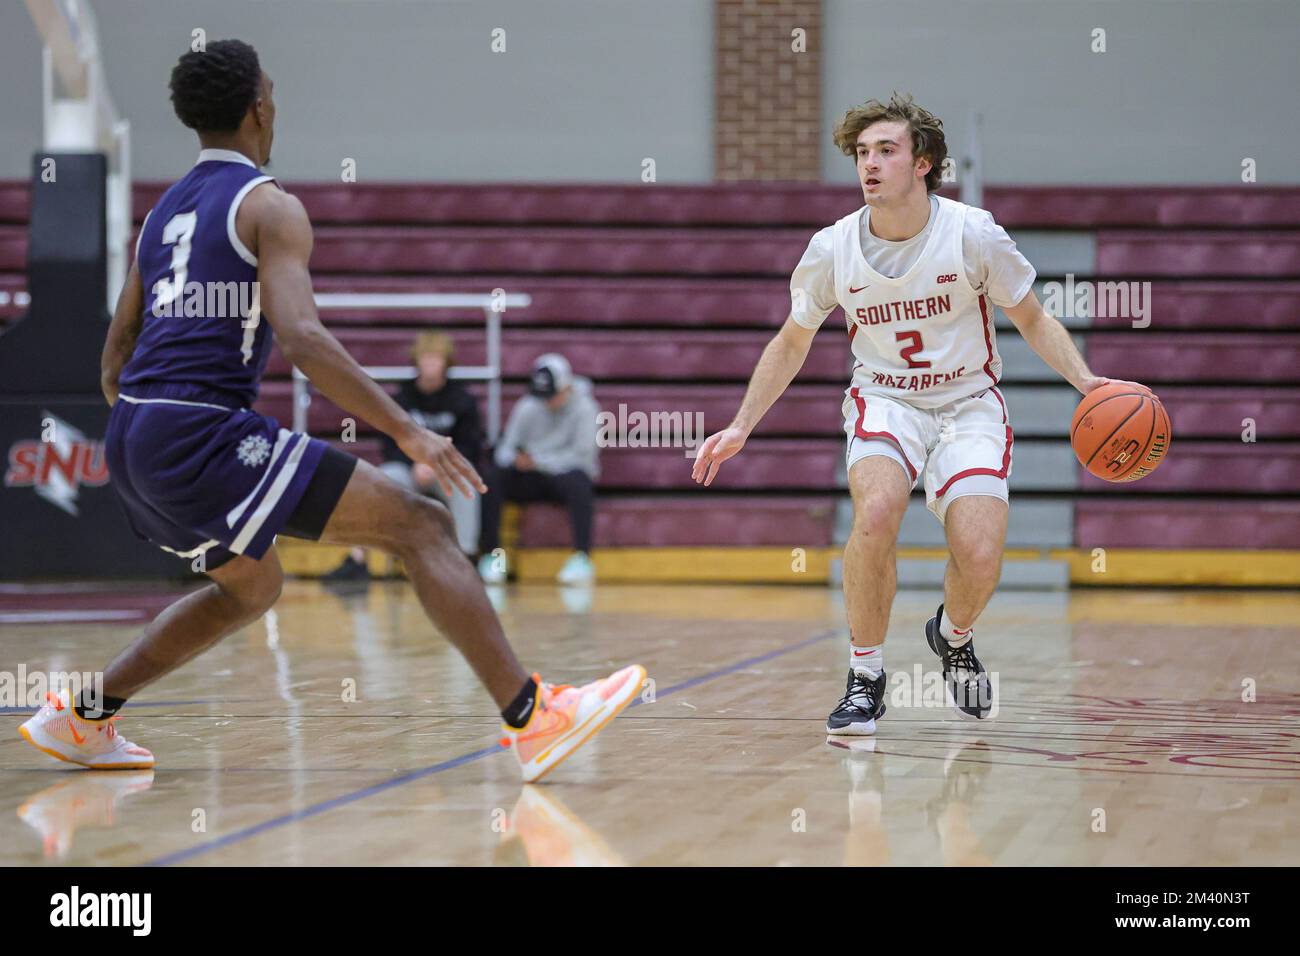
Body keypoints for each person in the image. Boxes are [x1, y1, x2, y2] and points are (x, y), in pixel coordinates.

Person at [17, 39, 641, 782]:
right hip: (200, 431)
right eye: (271, 92)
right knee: (424, 524)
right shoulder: (270, 207)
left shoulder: (159, 219)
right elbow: (303, 338)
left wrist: (150, 434)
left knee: (252, 585)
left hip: (131, 434)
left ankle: (83, 716)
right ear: (258, 107)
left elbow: (113, 357)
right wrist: (406, 429)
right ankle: (533, 715)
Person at [691, 93, 1146, 733]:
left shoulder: (973, 233)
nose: (869, 164)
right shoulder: (830, 248)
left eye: (885, 150)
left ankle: (953, 637)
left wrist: (1089, 381)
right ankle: (865, 674)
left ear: (923, 162)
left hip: (967, 401)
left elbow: (1035, 318)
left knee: (981, 552)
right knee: (875, 511)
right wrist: (742, 424)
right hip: (886, 397)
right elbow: (791, 341)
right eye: (861, 154)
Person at [323, 330, 482, 582]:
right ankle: (358, 559)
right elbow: (389, 443)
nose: (430, 364)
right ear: (417, 360)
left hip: (445, 470)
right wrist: (415, 463)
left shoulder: (462, 400)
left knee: (466, 484)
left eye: (436, 358)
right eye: (426, 358)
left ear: (446, 362)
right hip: (408, 468)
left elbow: (470, 446)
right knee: (380, 480)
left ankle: (466, 560)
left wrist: (436, 464)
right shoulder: (402, 398)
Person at [477, 354, 600, 585]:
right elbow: (505, 450)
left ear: (566, 387)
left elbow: (583, 457)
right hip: (530, 477)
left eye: (553, 395)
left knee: (580, 482)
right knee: (492, 478)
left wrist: (539, 461)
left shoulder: (586, 408)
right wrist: (517, 460)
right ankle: (492, 557)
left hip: (563, 477)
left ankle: (582, 558)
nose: (548, 401)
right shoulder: (528, 405)